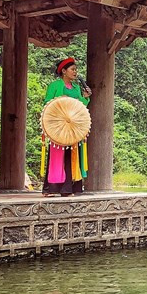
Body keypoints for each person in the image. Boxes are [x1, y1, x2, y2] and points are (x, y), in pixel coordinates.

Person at [42, 58, 91, 196]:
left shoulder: (76, 88)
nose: (75, 72)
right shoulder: (55, 86)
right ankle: (52, 188)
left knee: (72, 155)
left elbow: (81, 106)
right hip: (58, 126)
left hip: (72, 127)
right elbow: (47, 103)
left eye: (76, 69)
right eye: (72, 69)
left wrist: (86, 97)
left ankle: (69, 188)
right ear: (64, 71)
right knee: (57, 156)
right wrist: (58, 99)